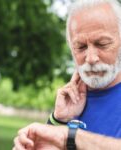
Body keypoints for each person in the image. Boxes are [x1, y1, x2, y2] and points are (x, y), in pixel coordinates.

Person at [13, 0, 121, 149]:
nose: (90, 58)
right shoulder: (71, 102)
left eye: (102, 44)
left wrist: (68, 136)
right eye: (81, 47)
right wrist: (57, 120)